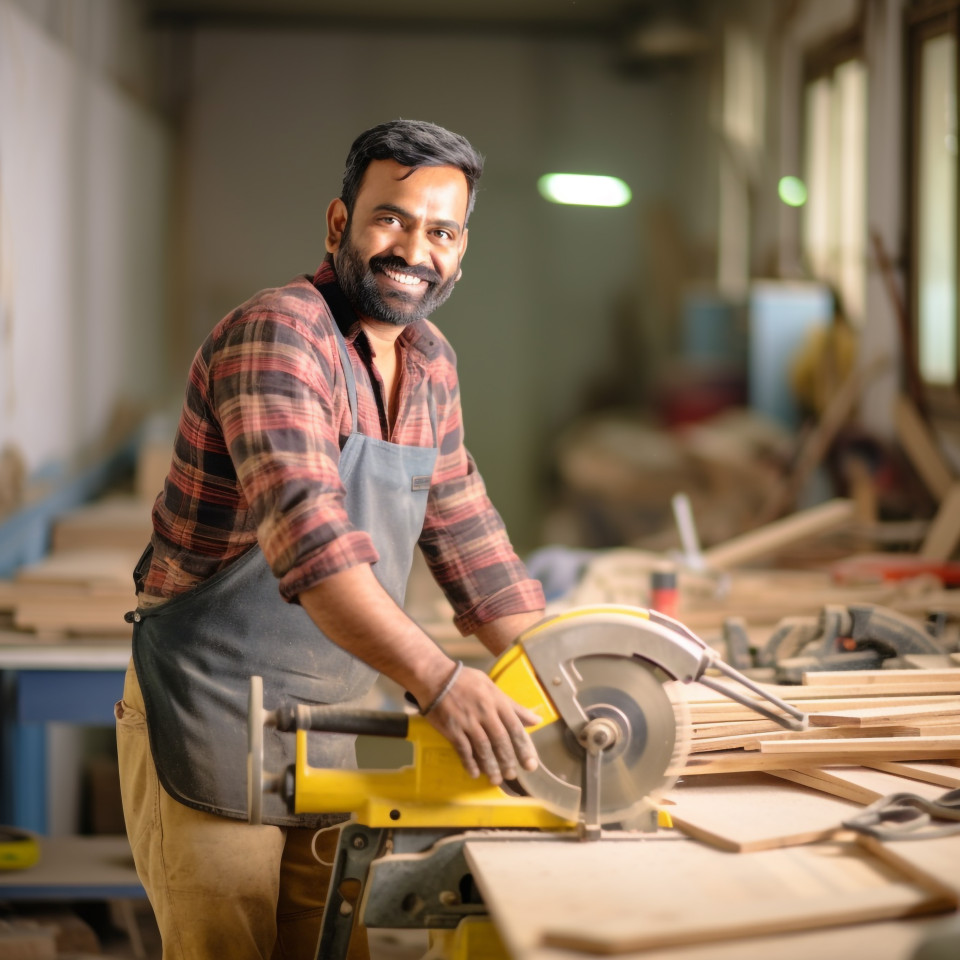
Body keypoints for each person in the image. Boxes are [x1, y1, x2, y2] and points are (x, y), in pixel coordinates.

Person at [115, 118, 546, 960]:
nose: (414, 250)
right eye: (392, 219)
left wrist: (565, 676)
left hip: (336, 722)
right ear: (339, 223)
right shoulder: (278, 335)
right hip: (212, 712)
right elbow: (314, 550)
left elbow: (473, 547)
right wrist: (441, 682)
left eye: (442, 232)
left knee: (331, 946)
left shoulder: (430, 363)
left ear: (461, 251)